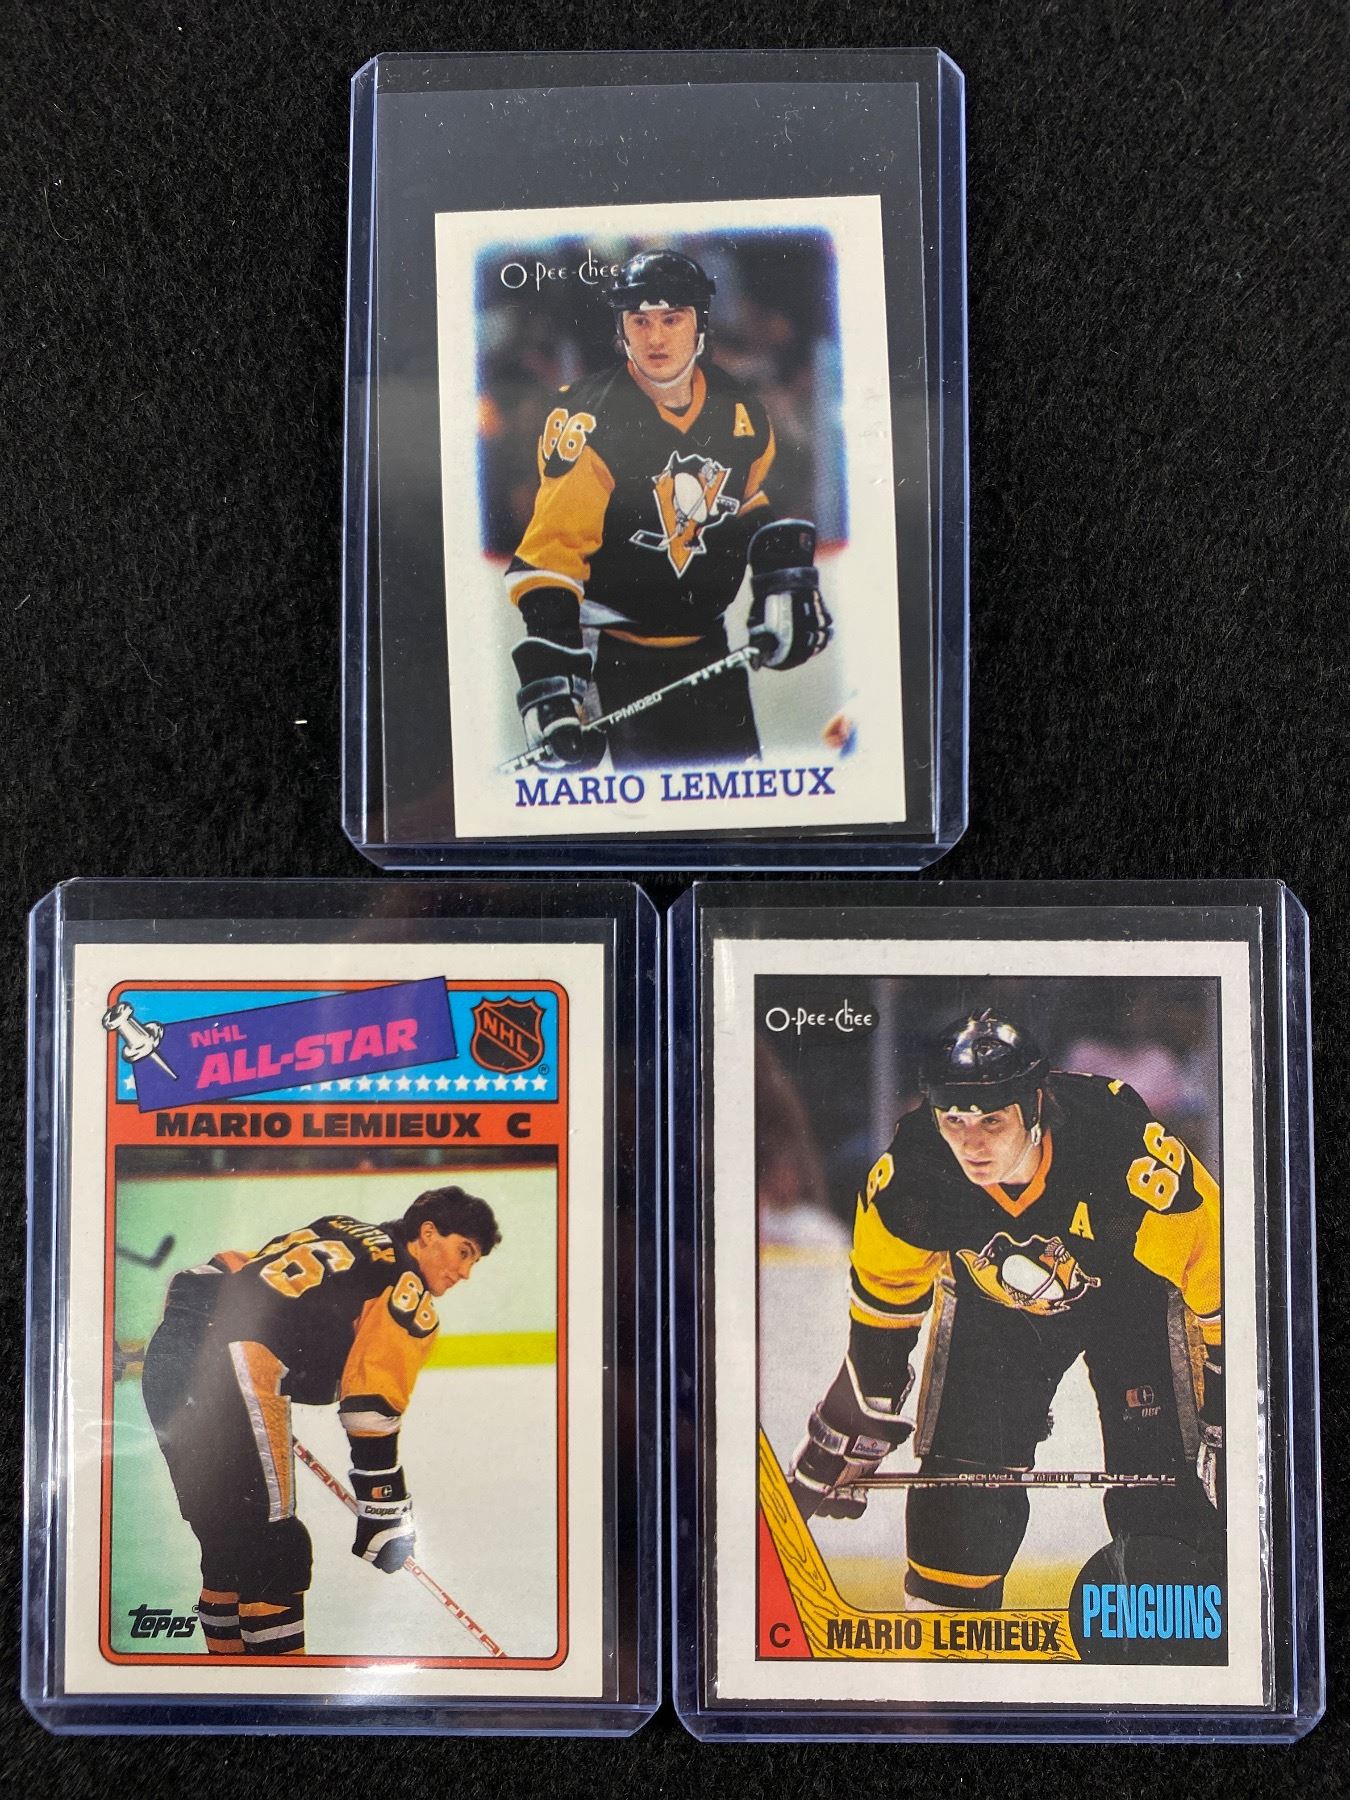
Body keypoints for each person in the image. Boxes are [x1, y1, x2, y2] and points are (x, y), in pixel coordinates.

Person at [787, 1011, 1224, 1610]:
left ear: (1035, 1107)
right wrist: (859, 1415)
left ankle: (1173, 1646)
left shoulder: (1118, 1147)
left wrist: (1223, 1413)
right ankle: (951, 1661)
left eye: (992, 1119)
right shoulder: (912, 1175)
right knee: (956, 1506)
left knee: (1165, 1496)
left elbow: (1219, 1273)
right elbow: (883, 1315)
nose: (972, 1143)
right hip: (996, 1313)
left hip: (1135, 1302)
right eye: (954, 1119)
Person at [505, 248, 832, 771]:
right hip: (613, 656)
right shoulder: (588, 415)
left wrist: (782, 576)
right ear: (622, 329)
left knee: (737, 803)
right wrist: (555, 684)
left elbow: (748, 501)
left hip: (710, 650)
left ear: (700, 324)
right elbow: (553, 553)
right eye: (640, 321)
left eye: (672, 319)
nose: (655, 338)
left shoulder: (739, 408)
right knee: (640, 813)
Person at [141, 1185, 501, 1655]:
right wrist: (383, 1509)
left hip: (169, 1364)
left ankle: (229, 1683)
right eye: (464, 1252)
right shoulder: (404, 1286)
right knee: (276, 1551)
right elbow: (371, 1404)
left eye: (474, 1261)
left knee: (227, 1546)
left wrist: (186, 1345)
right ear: (428, 1233)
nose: (465, 1272)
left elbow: (215, 1271)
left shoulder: (339, 1229)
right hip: (238, 1370)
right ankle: (279, 1693)